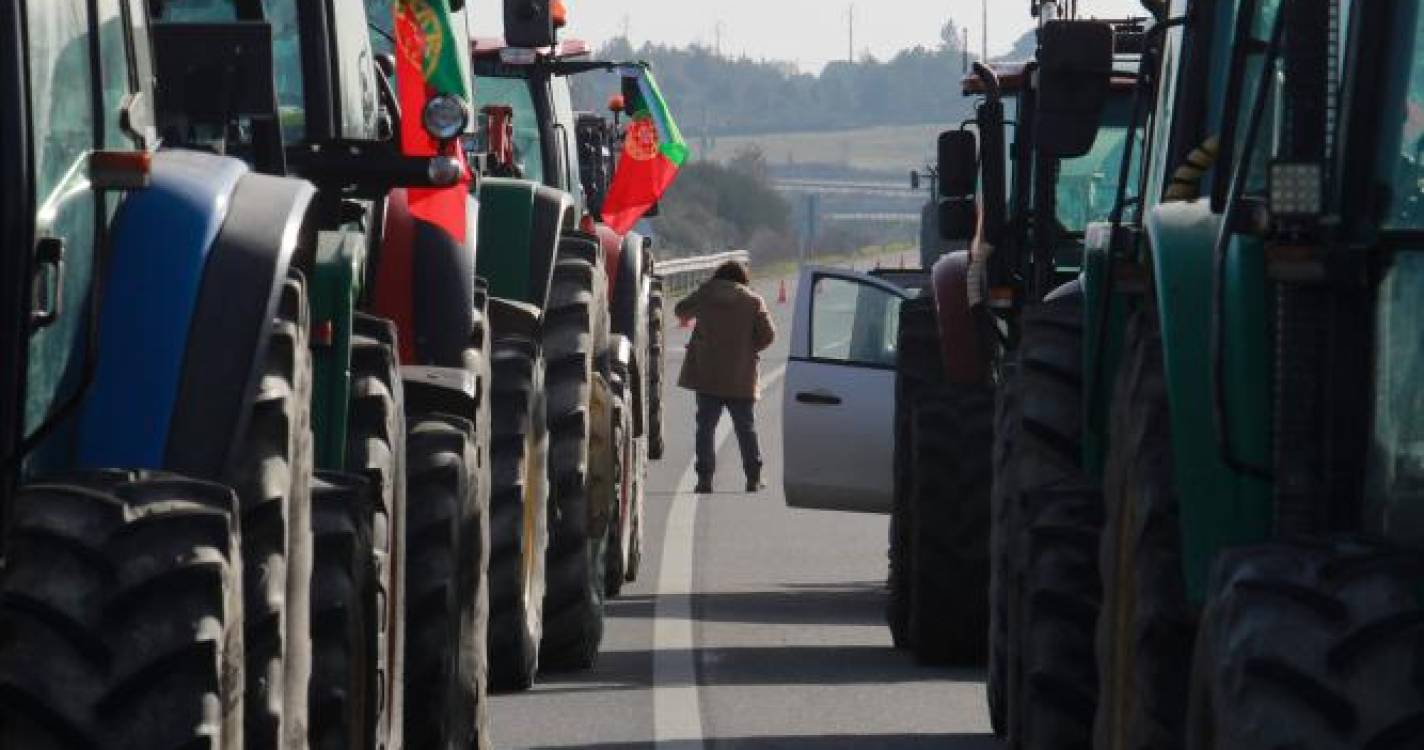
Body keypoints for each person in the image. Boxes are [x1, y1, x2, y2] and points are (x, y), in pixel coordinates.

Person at [674, 260, 776, 493]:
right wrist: (749, 349)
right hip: (741, 375)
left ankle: (704, 479)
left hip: (707, 374)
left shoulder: (705, 295)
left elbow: (680, 310)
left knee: (705, 427)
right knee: (745, 428)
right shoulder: (752, 301)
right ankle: (753, 477)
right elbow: (768, 335)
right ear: (742, 279)